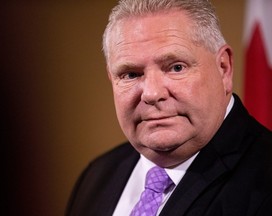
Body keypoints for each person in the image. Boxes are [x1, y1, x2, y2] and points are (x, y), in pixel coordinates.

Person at [66, 0, 272, 215]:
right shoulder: (97, 177)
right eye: (131, 74)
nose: (152, 94)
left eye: (176, 67)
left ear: (223, 68)